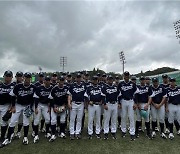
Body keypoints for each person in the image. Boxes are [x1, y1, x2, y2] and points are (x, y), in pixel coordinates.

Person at [0, 72, 36, 147]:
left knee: (26, 122)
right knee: (12, 121)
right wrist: (13, 106)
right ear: (24, 77)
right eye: (26, 77)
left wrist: (31, 107)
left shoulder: (33, 87)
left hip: (27, 105)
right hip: (18, 105)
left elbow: (34, 98)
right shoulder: (18, 86)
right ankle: (8, 138)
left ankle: (25, 137)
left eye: (29, 77)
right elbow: (12, 96)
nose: (27, 79)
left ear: (30, 78)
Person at [118, 71, 137, 141]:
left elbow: (136, 94)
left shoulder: (132, 84)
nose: (126, 76)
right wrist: (119, 103)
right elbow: (119, 94)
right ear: (123, 76)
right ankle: (123, 131)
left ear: (129, 76)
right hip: (123, 101)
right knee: (123, 116)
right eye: (125, 75)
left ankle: (132, 132)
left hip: (131, 101)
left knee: (131, 117)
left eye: (127, 75)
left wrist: (135, 103)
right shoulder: (120, 84)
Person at [48, 76, 69, 142]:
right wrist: (53, 107)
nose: (62, 81)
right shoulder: (54, 89)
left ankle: (62, 133)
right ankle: (53, 134)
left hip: (62, 106)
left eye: (63, 80)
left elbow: (67, 98)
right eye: (61, 80)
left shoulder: (66, 88)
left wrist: (64, 105)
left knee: (62, 120)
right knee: (53, 120)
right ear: (58, 81)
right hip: (55, 106)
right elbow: (51, 99)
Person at [33, 76, 52, 143]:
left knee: (48, 119)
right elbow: (36, 98)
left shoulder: (51, 88)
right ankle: (36, 134)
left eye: (48, 80)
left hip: (46, 105)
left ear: (50, 81)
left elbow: (51, 99)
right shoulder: (39, 88)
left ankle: (47, 133)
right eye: (46, 80)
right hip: (39, 104)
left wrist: (49, 107)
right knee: (37, 120)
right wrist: (35, 108)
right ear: (44, 81)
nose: (47, 81)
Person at [68, 73, 86, 140]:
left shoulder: (84, 85)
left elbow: (86, 96)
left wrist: (85, 105)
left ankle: (77, 132)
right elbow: (69, 95)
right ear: (75, 78)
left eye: (79, 77)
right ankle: (72, 133)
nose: (78, 78)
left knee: (79, 119)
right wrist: (69, 103)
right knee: (72, 119)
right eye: (77, 77)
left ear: (81, 78)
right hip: (74, 103)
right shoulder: (72, 85)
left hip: (81, 104)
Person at [102, 75, 121, 140]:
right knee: (107, 119)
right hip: (108, 104)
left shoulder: (116, 87)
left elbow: (119, 95)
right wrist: (104, 104)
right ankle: (106, 132)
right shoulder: (105, 87)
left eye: (111, 79)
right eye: (109, 79)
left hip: (115, 104)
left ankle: (113, 132)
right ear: (107, 80)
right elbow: (103, 96)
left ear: (113, 80)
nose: (110, 80)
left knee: (113, 119)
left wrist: (119, 103)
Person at [0, 71, 15, 142]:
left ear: (12, 77)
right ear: (4, 76)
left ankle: (2, 137)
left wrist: (11, 107)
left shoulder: (14, 86)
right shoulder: (0, 85)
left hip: (6, 105)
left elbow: (15, 98)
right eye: (6, 75)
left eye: (9, 76)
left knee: (4, 121)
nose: (8, 77)